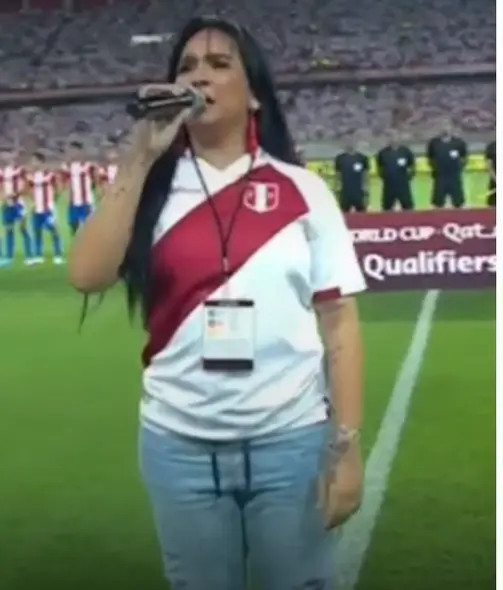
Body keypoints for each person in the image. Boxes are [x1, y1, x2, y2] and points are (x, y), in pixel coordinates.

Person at [66, 17, 365, 590]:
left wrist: (346, 447)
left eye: (219, 64)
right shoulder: (151, 187)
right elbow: (86, 276)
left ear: (253, 94)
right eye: (186, 67)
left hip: (291, 442)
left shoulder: (303, 192)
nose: (199, 75)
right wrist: (138, 157)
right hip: (178, 446)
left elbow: (340, 324)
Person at [26, 153, 63, 265]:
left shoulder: (50, 175)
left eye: (34, 161)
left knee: (54, 230)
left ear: (41, 162)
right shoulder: (31, 176)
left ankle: (58, 255)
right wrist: (32, 202)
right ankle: (38, 255)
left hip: (48, 209)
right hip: (36, 209)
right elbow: (29, 190)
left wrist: (52, 202)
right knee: (37, 232)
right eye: (32, 161)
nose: (32, 164)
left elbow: (58, 189)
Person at [0, 154, 32, 266]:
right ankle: (9, 257)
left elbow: (27, 185)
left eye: (7, 155)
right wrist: (3, 197)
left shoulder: (20, 170)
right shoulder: (2, 172)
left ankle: (30, 255)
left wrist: (16, 194)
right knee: (9, 230)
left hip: (19, 204)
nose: (5, 157)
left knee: (23, 228)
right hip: (7, 205)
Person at [426, 123, 467, 208]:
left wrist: (459, 168)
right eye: (443, 126)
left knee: (458, 203)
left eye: (447, 126)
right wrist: (435, 168)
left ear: (451, 128)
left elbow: (464, 158)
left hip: (454, 176)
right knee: (437, 203)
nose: (445, 129)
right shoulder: (434, 143)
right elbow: (430, 158)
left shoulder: (459, 142)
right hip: (440, 176)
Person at [62, 142, 99, 234]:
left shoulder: (88, 165)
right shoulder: (68, 167)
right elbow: (66, 182)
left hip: (86, 202)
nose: (71, 154)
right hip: (74, 203)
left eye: (73, 151)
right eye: (70, 151)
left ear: (80, 152)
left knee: (91, 230)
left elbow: (96, 179)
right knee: (74, 227)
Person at [376, 134, 416, 211]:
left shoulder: (405, 151)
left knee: (408, 207)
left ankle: (409, 222)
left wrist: (409, 176)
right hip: (389, 185)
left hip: (403, 185)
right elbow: (379, 167)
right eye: (390, 137)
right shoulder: (383, 153)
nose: (393, 139)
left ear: (398, 138)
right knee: (387, 207)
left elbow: (412, 166)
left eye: (394, 137)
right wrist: (384, 176)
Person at [334, 139, 369, 212]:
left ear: (356, 143)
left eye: (352, 141)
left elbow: (365, 174)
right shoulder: (340, 158)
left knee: (362, 214)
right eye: (348, 141)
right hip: (345, 192)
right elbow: (338, 175)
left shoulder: (362, 158)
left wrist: (366, 187)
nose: (350, 143)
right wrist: (337, 187)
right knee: (344, 215)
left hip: (358, 192)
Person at [485, 139, 496, 206]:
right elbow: (489, 165)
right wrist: (495, 178)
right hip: (495, 181)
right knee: (492, 203)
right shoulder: (492, 146)